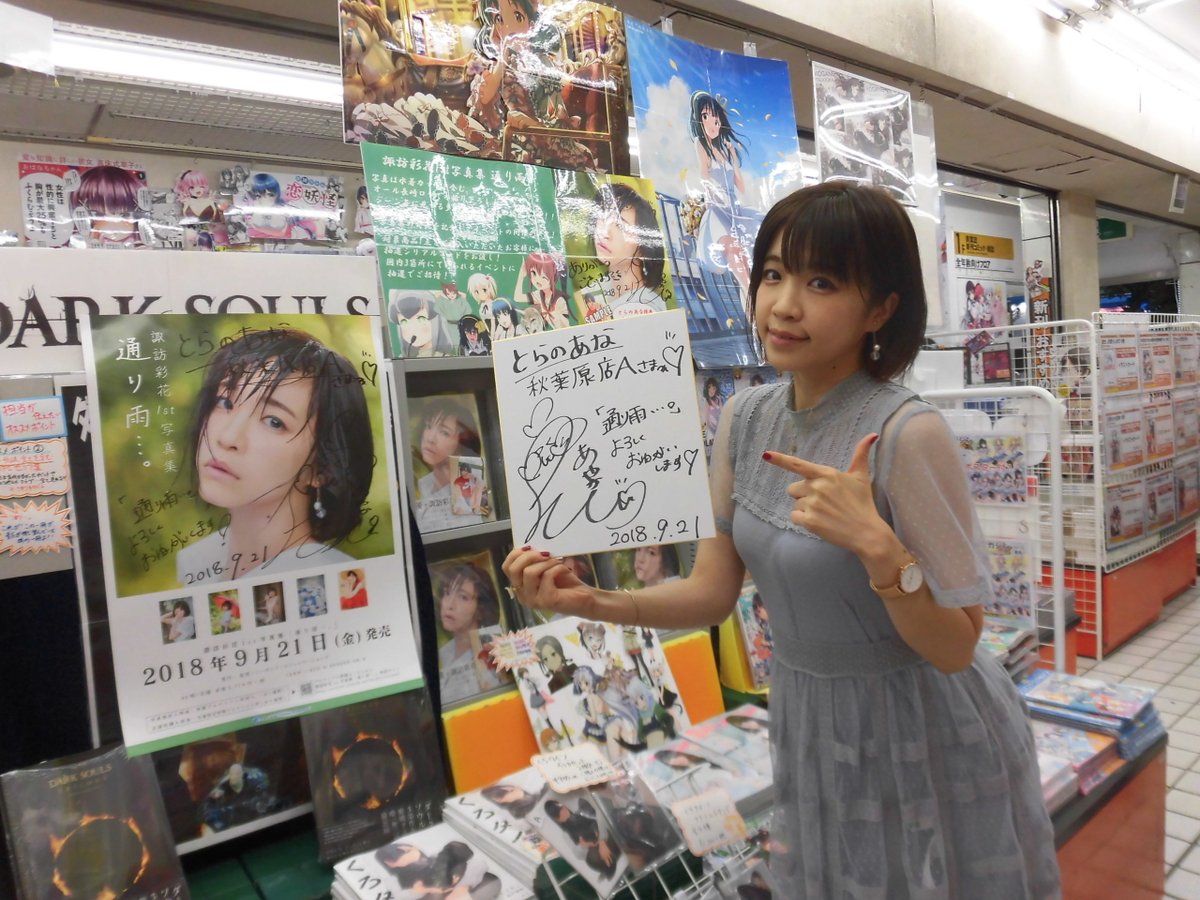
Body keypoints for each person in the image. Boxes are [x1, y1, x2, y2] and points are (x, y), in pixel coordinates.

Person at [504, 182, 1060, 897]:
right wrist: (592, 602)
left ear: (881, 308)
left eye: (821, 282)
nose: (784, 304)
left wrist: (881, 551)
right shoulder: (744, 418)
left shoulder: (908, 432)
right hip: (805, 714)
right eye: (773, 274)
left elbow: (957, 648)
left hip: (916, 721)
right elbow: (712, 594)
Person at [176, 328, 373, 584]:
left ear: (322, 469)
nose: (228, 438)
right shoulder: (195, 563)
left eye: (274, 421)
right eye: (225, 403)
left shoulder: (338, 581)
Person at [690, 91, 762, 294]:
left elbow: (741, 186)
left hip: (734, 209)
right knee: (733, 249)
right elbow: (704, 176)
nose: (712, 123)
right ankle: (751, 295)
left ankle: (751, 297)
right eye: (705, 116)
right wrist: (708, 202)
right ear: (699, 120)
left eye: (715, 117)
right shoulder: (700, 144)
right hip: (716, 208)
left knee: (746, 255)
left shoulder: (726, 150)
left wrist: (733, 159)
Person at [583, 183, 668, 320]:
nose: (605, 233)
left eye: (620, 226)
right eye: (603, 217)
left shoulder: (648, 306)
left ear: (644, 246)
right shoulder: (589, 293)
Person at [434, 562, 504, 704]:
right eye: (446, 593)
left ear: (481, 609)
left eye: (462, 597)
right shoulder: (443, 652)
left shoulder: (494, 653)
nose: (449, 605)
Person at [413, 397, 484, 531]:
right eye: (428, 426)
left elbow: (472, 534)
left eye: (444, 432)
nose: (430, 438)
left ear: (462, 443)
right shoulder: (425, 484)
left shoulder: (468, 483)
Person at [71, 165, 145, 247]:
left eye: (125, 215)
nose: (113, 224)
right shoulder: (79, 242)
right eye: (98, 215)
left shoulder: (141, 243)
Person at [388, 291, 457, 357]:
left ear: (436, 321)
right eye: (404, 321)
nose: (412, 327)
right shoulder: (402, 360)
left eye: (421, 318)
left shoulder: (448, 359)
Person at [515, 252, 570, 330]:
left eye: (544, 276)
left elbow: (566, 327)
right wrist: (521, 276)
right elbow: (517, 297)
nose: (538, 280)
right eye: (534, 273)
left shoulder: (559, 300)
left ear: (553, 276)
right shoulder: (539, 295)